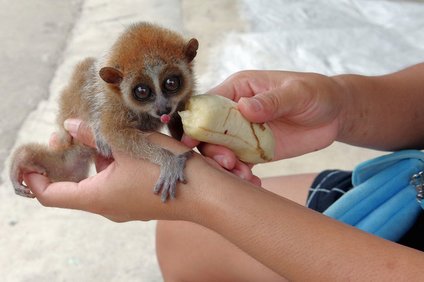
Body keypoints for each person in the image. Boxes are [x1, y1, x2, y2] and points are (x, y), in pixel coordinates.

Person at [24, 64, 424, 281]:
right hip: (404, 189)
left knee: (193, 223)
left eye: (171, 85)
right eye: (146, 93)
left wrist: (206, 197)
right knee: (183, 236)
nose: (164, 106)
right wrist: (341, 104)